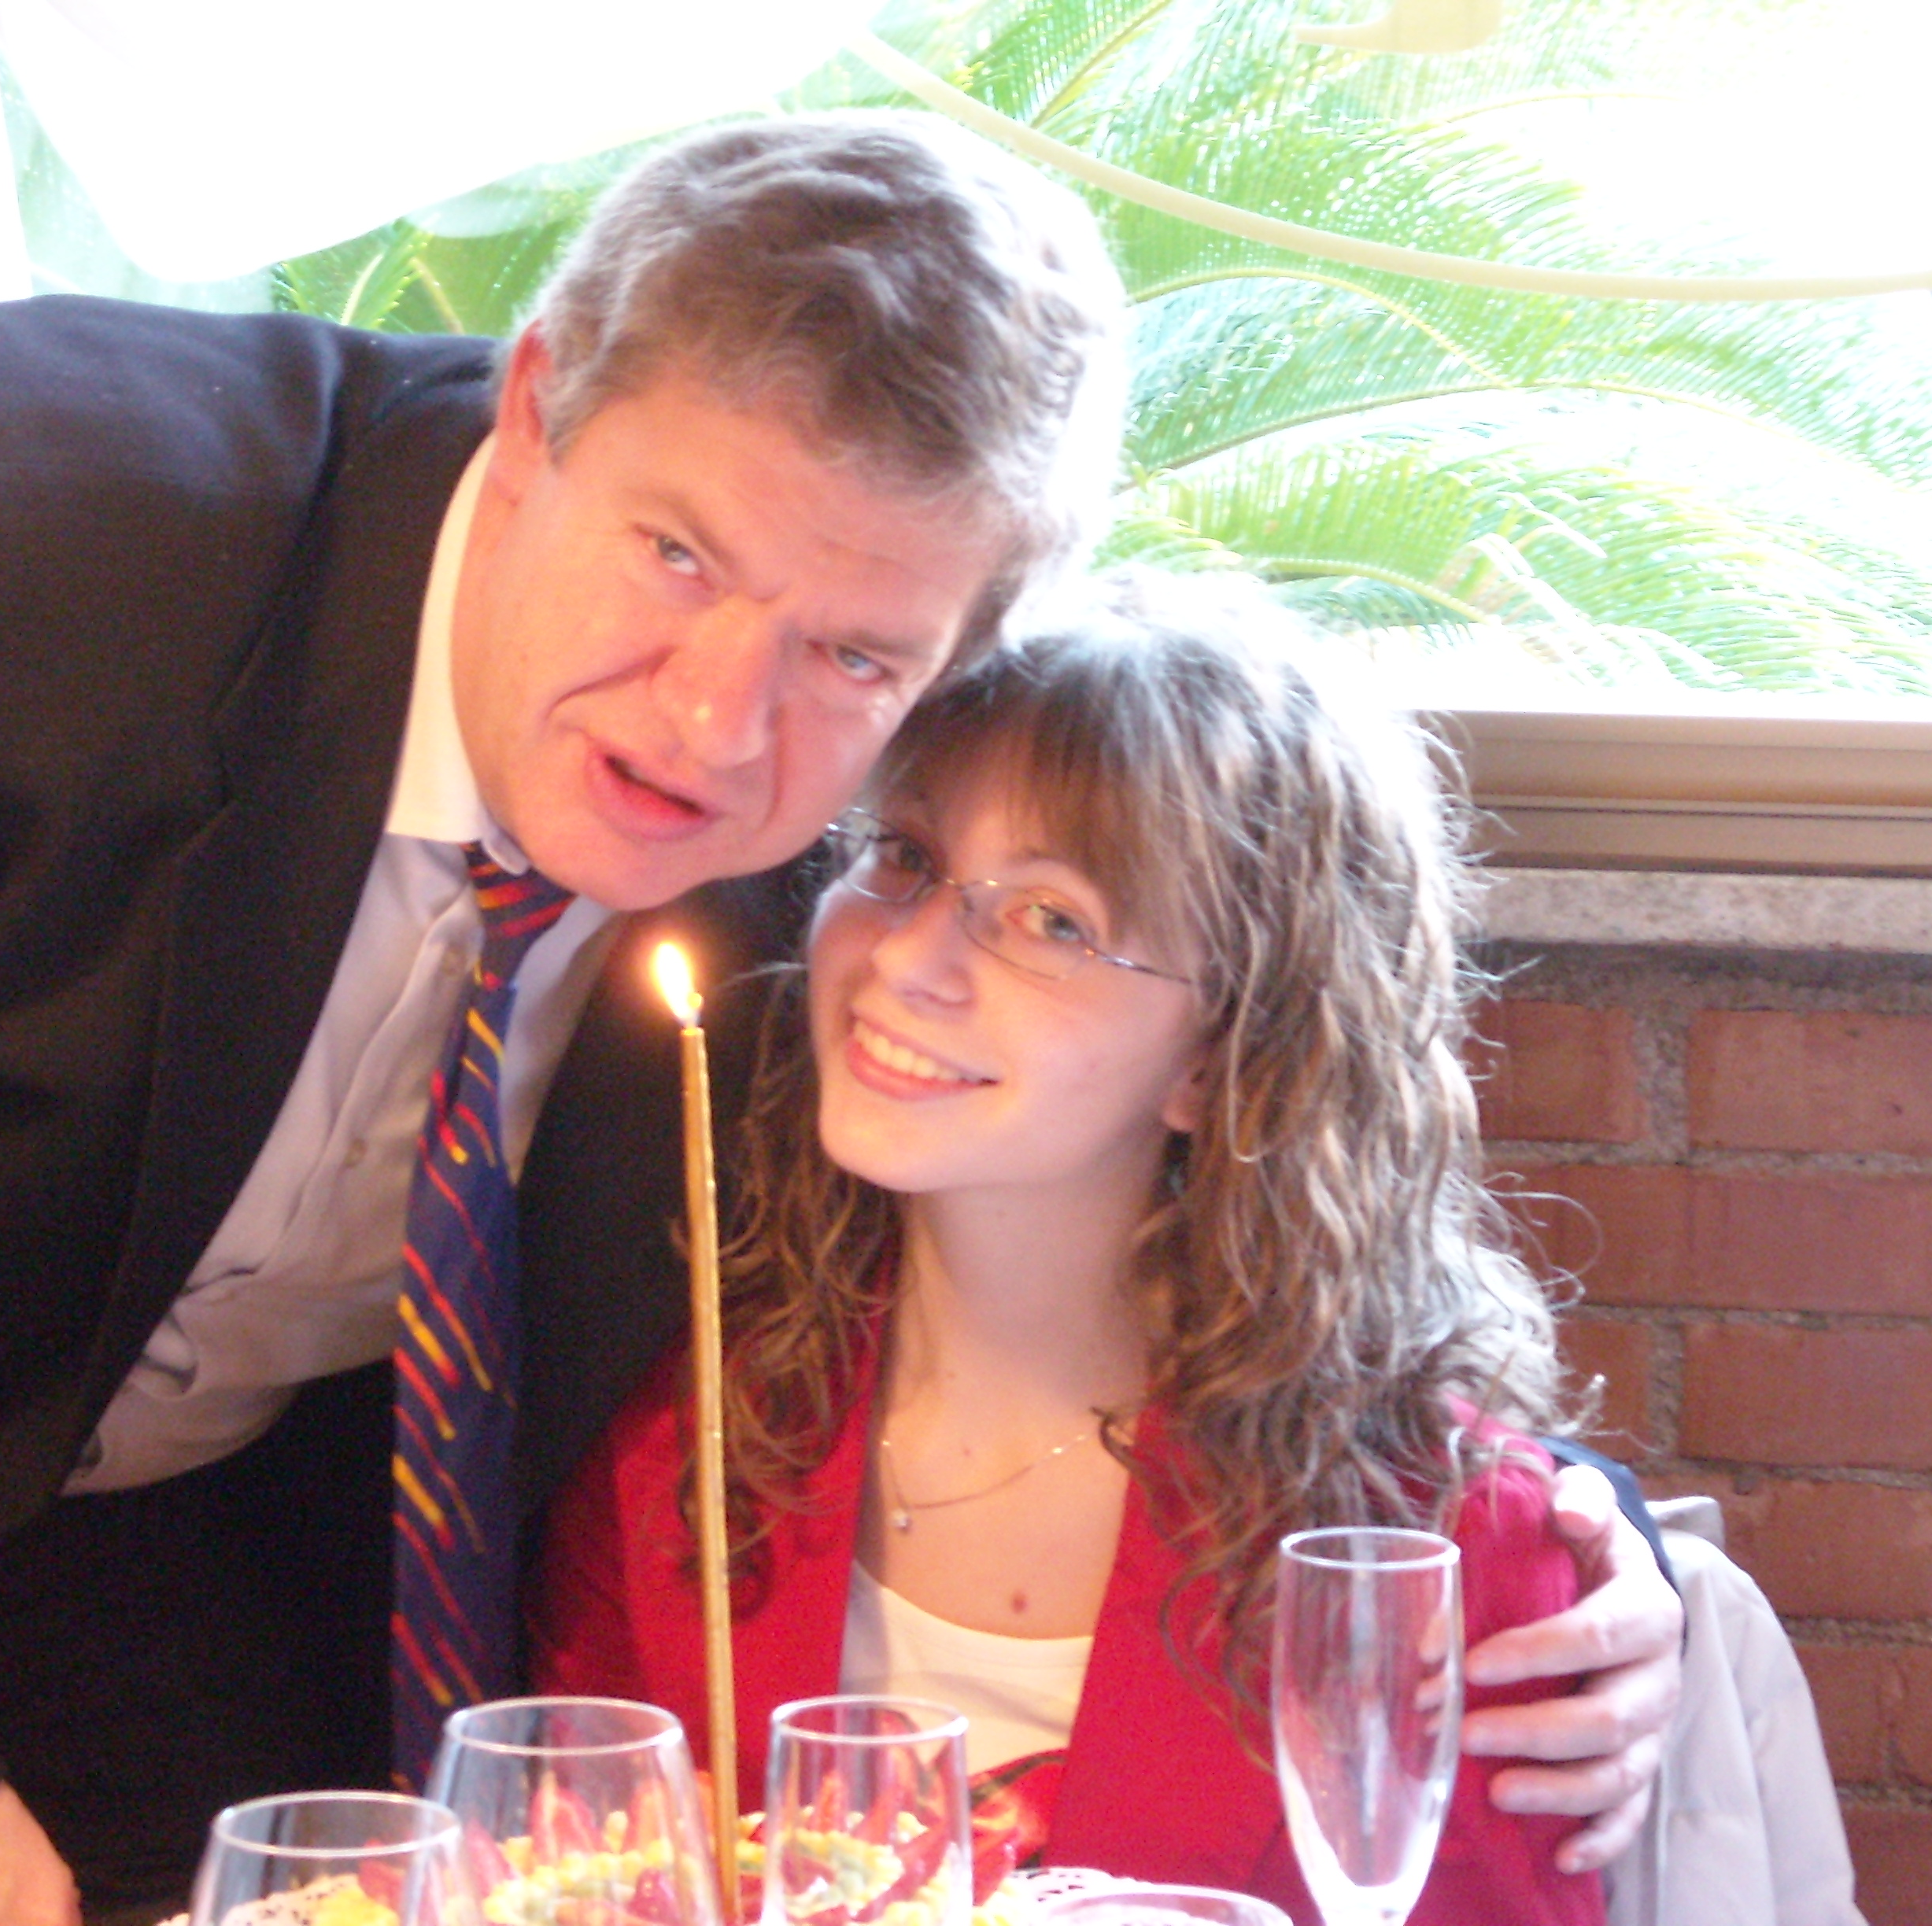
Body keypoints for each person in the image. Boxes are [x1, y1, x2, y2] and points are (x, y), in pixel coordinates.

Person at [0, 113, 1672, 1926]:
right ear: (535, 407)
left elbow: (1176, 1107)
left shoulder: (844, 872)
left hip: (166, 1596)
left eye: (855, 656)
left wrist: (1567, 1543)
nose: (719, 724)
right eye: (676, 553)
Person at [531, 571, 1611, 1920]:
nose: (907, 960)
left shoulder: (1442, 1549)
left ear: (1225, 1055)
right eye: (905, 855)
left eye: (1053, 920)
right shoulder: (684, 1446)